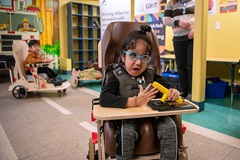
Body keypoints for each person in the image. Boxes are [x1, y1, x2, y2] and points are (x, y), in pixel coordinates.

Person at [99, 25, 181, 160]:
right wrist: (134, 102)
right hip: (128, 118)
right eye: (133, 55)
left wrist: (173, 91)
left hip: (152, 116)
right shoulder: (116, 75)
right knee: (126, 133)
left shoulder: (150, 73)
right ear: (122, 56)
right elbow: (104, 98)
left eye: (144, 58)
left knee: (170, 127)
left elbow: (168, 87)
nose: (138, 62)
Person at [163, 0, 195, 99]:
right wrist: (178, 22)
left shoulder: (196, 2)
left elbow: (202, 18)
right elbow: (166, 21)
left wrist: (196, 29)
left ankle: (192, 92)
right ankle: (184, 91)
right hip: (178, 38)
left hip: (192, 38)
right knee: (181, 66)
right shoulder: (171, 3)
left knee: (191, 65)